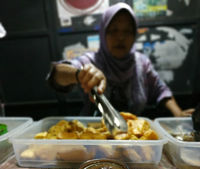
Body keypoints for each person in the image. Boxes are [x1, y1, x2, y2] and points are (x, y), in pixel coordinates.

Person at [47, 2, 194, 117]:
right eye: (113, 30)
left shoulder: (142, 63)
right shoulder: (91, 61)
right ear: (103, 33)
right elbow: (57, 75)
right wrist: (79, 74)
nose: (121, 37)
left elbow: (160, 90)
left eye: (127, 31)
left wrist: (178, 113)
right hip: (92, 137)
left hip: (133, 136)